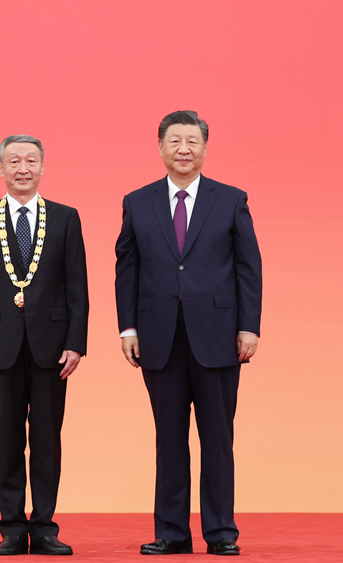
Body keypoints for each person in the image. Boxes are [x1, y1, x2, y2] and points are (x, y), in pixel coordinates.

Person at [115, 111, 262, 556]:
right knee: (169, 439)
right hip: (158, 337)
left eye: (192, 141)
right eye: (175, 141)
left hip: (218, 337)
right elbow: (127, 268)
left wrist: (249, 326)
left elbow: (248, 267)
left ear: (204, 149)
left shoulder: (230, 199)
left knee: (217, 439)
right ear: (160, 148)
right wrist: (128, 327)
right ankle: (172, 533)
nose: (184, 149)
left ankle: (221, 533)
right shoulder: (137, 201)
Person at [0, 135, 88, 556]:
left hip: (53, 347)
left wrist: (76, 342)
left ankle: (45, 527)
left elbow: (77, 287)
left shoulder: (66, 218)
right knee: (8, 438)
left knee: (48, 440)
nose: (22, 168)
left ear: (43, 167)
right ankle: (13, 528)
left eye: (31, 160)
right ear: (0, 168)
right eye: (13, 161)